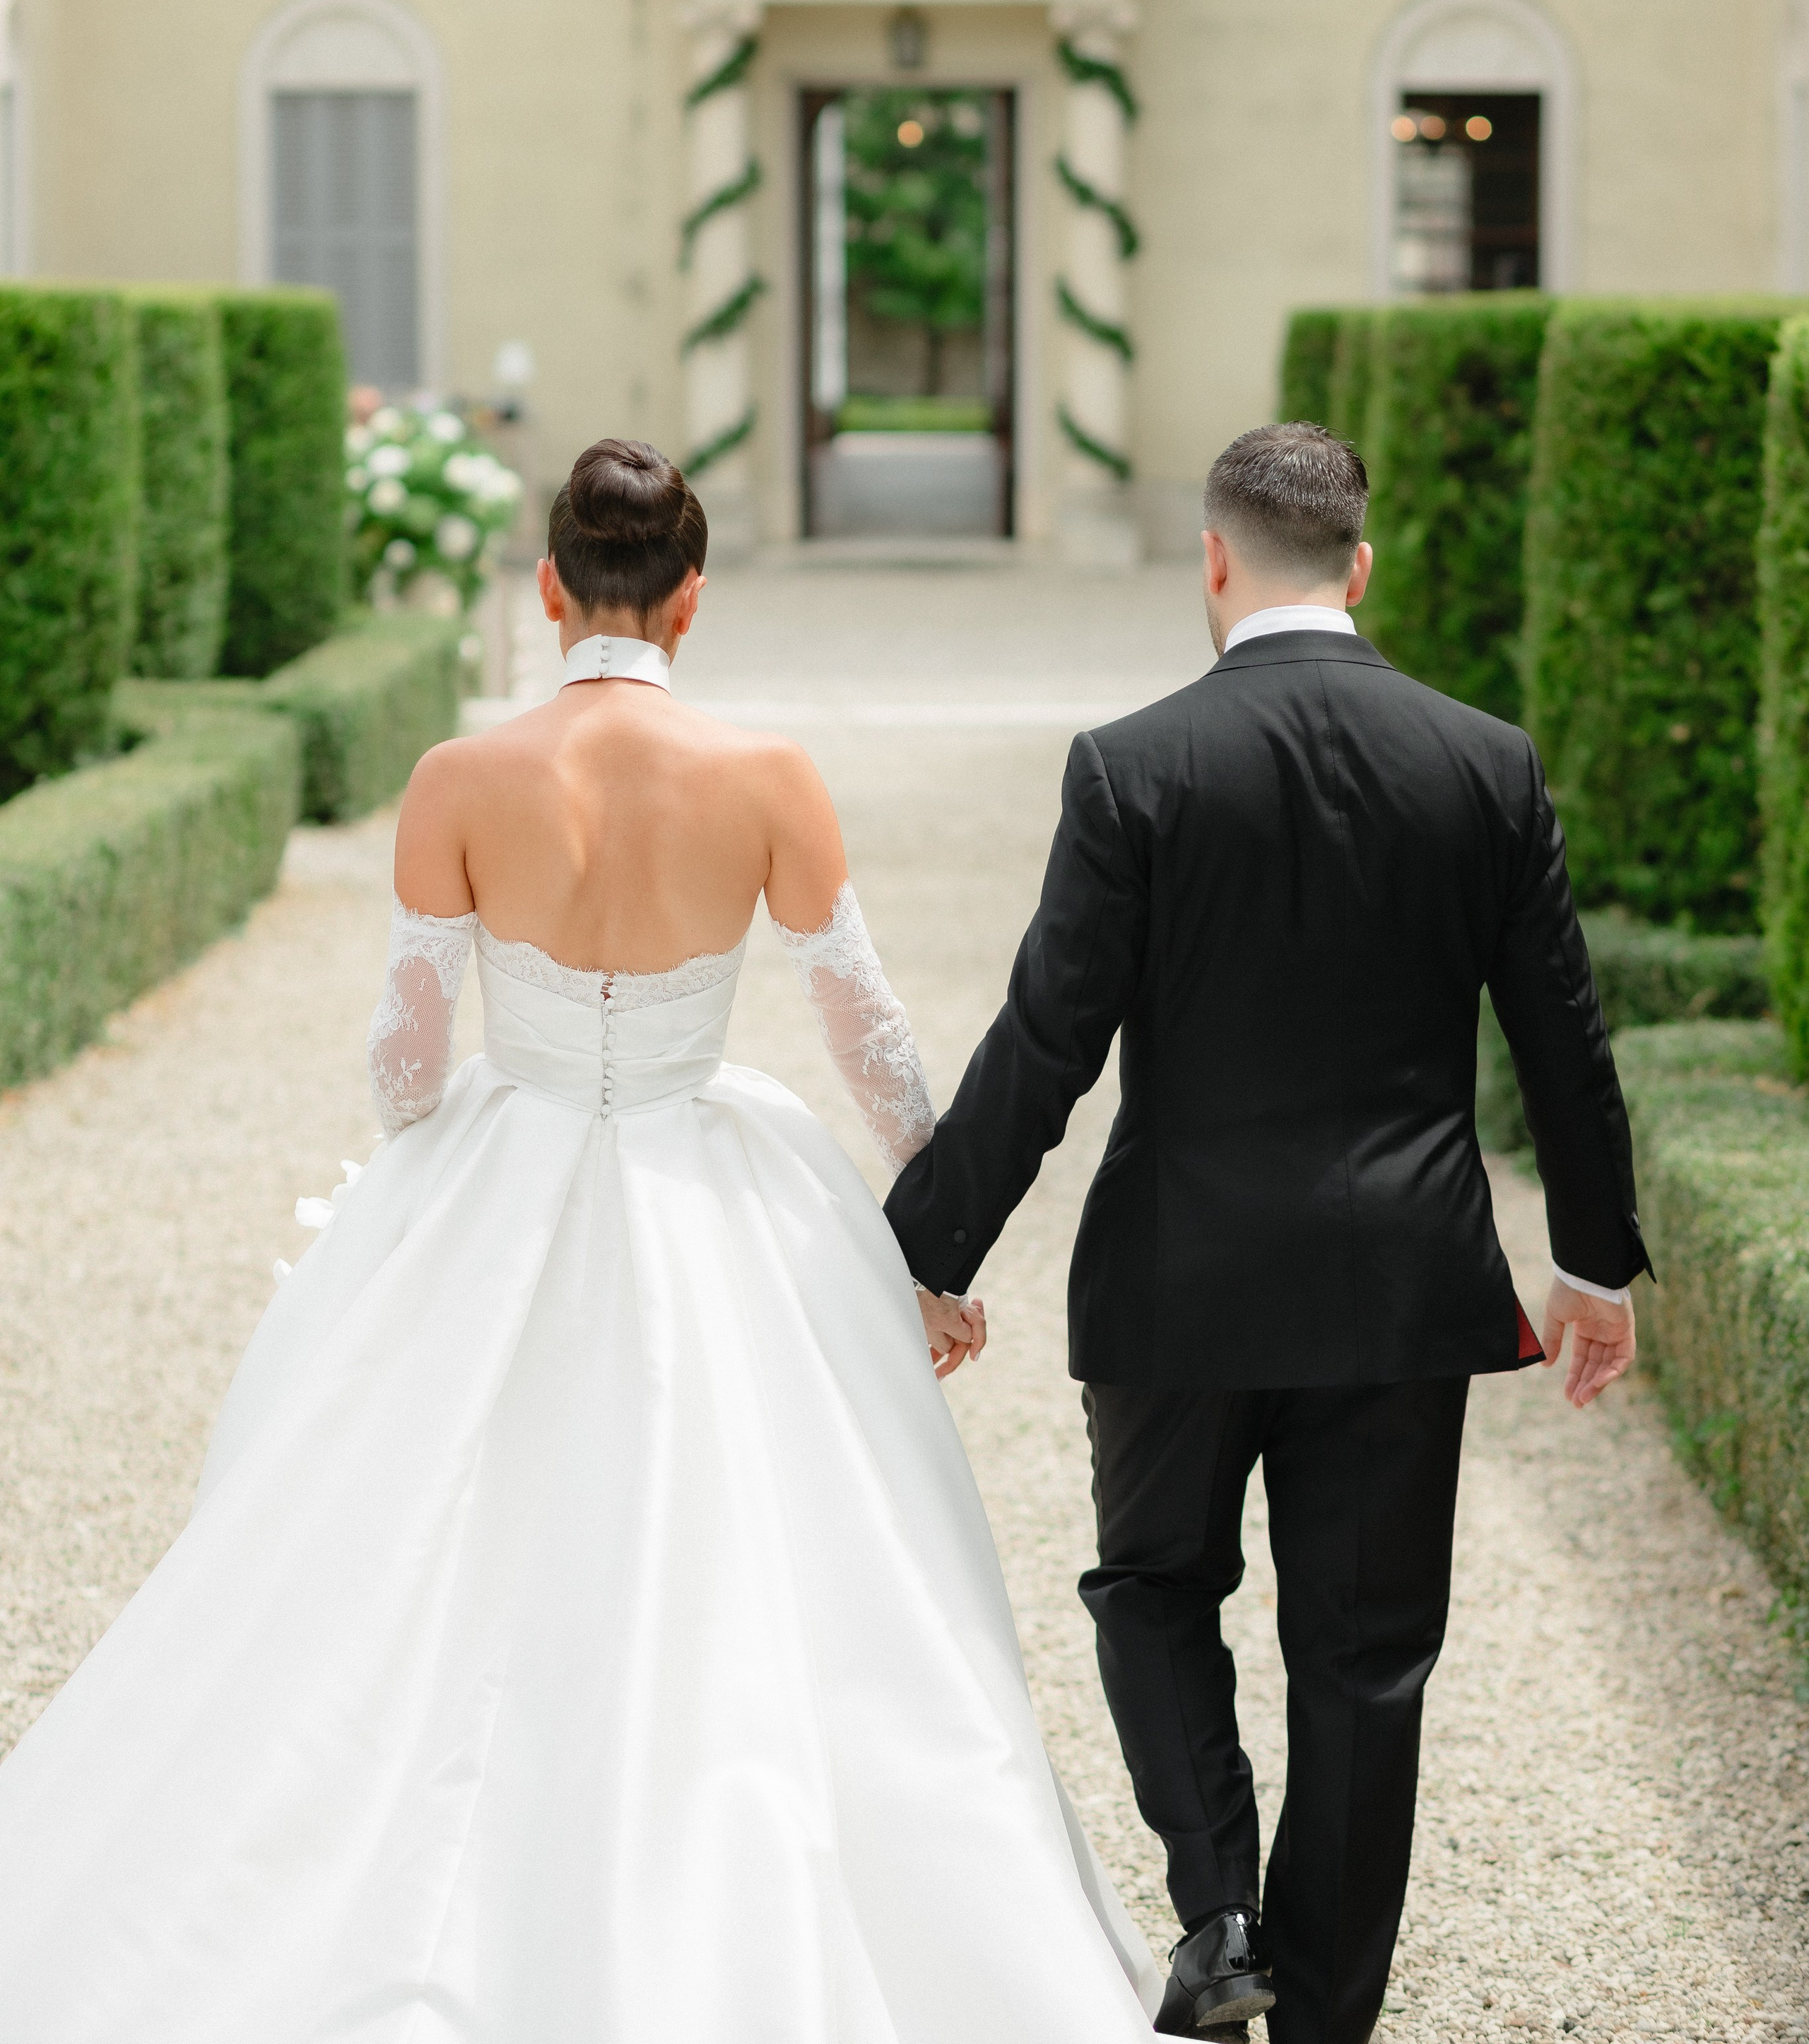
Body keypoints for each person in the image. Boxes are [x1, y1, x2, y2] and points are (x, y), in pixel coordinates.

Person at [0, 437, 1163, 2042]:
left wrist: (493, 1077)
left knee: (400, 1541)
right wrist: (933, 1248)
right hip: (716, 1171)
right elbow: (875, 1043)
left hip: (509, 1153)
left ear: (547, 587)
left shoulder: (458, 781)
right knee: (785, 1549)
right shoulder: (770, 780)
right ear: (692, 599)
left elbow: (404, 1079)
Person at [885, 421, 1646, 2044]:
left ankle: (1217, 1912)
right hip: (1397, 1286)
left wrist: (927, 1247)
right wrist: (1590, 1263)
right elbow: (1560, 1040)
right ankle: (1323, 2021)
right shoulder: (1482, 762)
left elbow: (1047, 1041)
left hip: (1177, 1282)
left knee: (1151, 1589)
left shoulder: (1132, 765)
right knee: (1364, 1660)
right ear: (1356, 568)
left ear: (1214, 563)